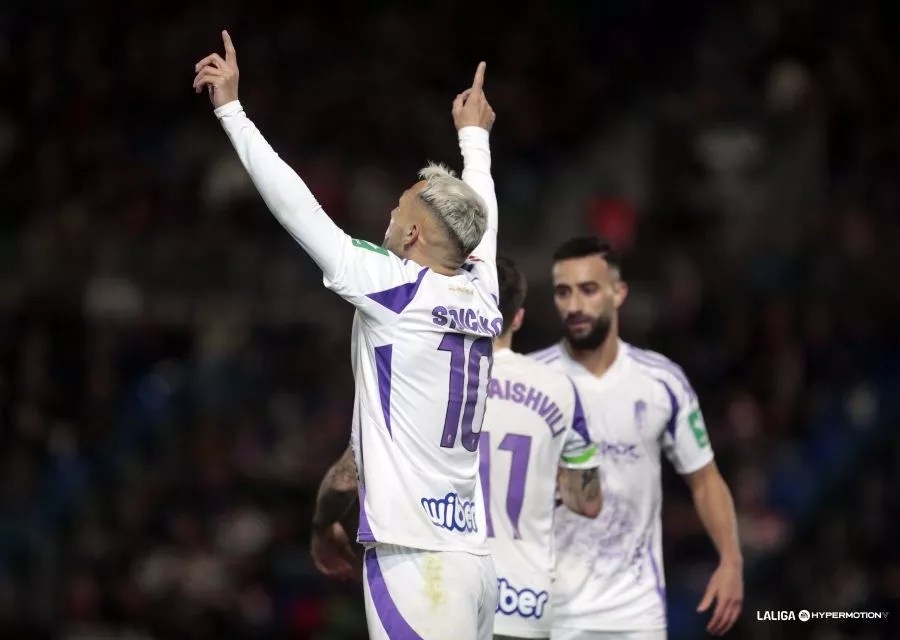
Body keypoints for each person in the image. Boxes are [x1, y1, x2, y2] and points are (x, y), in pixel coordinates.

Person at [194, 31, 500, 639]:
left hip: (417, 565)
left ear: (412, 236)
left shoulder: (396, 287)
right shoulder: (482, 287)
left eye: (399, 208)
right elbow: (483, 221)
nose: (389, 214)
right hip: (474, 563)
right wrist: (475, 139)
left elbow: (299, 210)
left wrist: (232, 112)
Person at [530, 236, 744, 640]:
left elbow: (705, 478)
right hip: (547, 611)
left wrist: (731, 560)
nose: (574, 305)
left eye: (588, 289)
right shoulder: (529, 380)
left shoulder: (662, 383)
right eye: (563, 292)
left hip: (635, 615)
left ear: (619, 293)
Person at [482, 256, 603, 640]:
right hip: (525, 600)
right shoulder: (561, 390)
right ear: (518, 318)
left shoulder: (440, 381)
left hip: (448, 589)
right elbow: (588, 502)